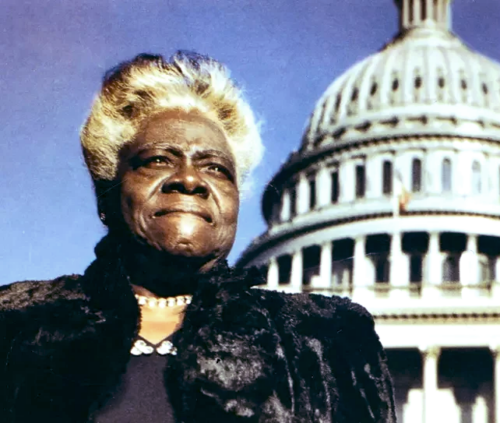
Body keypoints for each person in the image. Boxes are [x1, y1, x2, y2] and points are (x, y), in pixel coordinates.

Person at [0, 52, 396, 423]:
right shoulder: (17, 326)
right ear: (107, 194)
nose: (190, 179)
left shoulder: (327, 339)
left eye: (216, 168)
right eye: (158, 160)